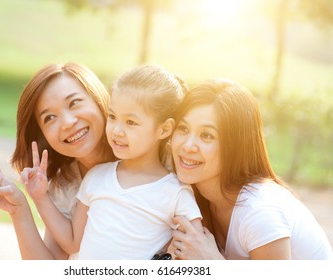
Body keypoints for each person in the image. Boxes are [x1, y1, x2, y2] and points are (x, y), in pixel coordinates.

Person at [32, 64, 203, 259]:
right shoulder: (96, 176)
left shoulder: (176, 192)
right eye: (112, 117)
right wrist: (39, 197)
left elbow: (194, 252)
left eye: (131, 122)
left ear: (164, 130)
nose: (116, 130)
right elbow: (71, 243)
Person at [0, 62, 115, 259]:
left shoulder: (154, 158)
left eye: (74, 103)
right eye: (50, 117)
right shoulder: (64, 185)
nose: (68, 123)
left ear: (98, 99)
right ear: (42, 135)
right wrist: (19, 210)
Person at [170, 78, 333, 260]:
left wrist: (212, 263)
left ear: (237, 145)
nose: (188, 145)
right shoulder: (194, 197)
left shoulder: (259, 211)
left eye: (207, 135)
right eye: (183, 128)